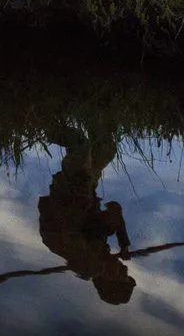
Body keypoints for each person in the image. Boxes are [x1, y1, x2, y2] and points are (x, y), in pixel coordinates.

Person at [37, 123, 136, 305]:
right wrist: (123, 242)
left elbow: (72, 224)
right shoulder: (99, 254)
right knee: (106, 149)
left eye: (122, 275)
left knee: (80, 148)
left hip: (69, 194)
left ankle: (42, 120)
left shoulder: (86, 263)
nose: (124, 269)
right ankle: (91, 109)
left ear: (108, 281)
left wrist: (84, 187)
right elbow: (105, 219)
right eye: (126, 274)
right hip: (84, 191)